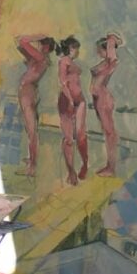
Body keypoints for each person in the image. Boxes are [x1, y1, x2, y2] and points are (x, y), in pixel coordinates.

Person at [17, 35, 57, 177]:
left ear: (45, 46)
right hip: (28, 91)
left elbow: (22, 41)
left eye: (41, 44)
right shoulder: (39, 58)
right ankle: (31, 161)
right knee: (30, 130)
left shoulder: (41, 58)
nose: (38, 46)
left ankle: (32, 167)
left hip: (28, 92)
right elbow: (20, 45)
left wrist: (39, 35)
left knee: (32, 130)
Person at [56, 36, 88, 185]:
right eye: (76, 48)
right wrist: (69, 99)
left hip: (79, 100)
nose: (78, 51)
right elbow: (63, 83)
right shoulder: (63, 61)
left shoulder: (71, 63)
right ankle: (71, 172)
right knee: (69, 138)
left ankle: (84, 165)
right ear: (70, 48)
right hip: (67, 100)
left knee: (80, 135)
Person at [91, 32, 123, 177]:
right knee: (107, 132)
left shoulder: (111, 62)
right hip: (98, 98)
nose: (97, 51)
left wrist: (111, 39)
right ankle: (109, 166)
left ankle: (111, 168)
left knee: (110, 133)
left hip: (103, 99)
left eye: (100, 49)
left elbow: (113, 56)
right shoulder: (105, 63)